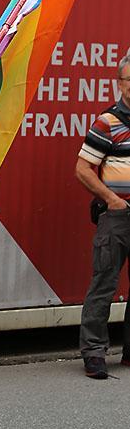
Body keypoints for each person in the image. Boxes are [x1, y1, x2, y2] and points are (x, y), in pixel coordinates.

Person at [76, 52, 130, 380]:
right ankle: (94, 352)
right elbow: (82, 168)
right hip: (119, 215)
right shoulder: (107, 122)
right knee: (104, 283)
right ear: (120, 84)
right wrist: (111, 199)